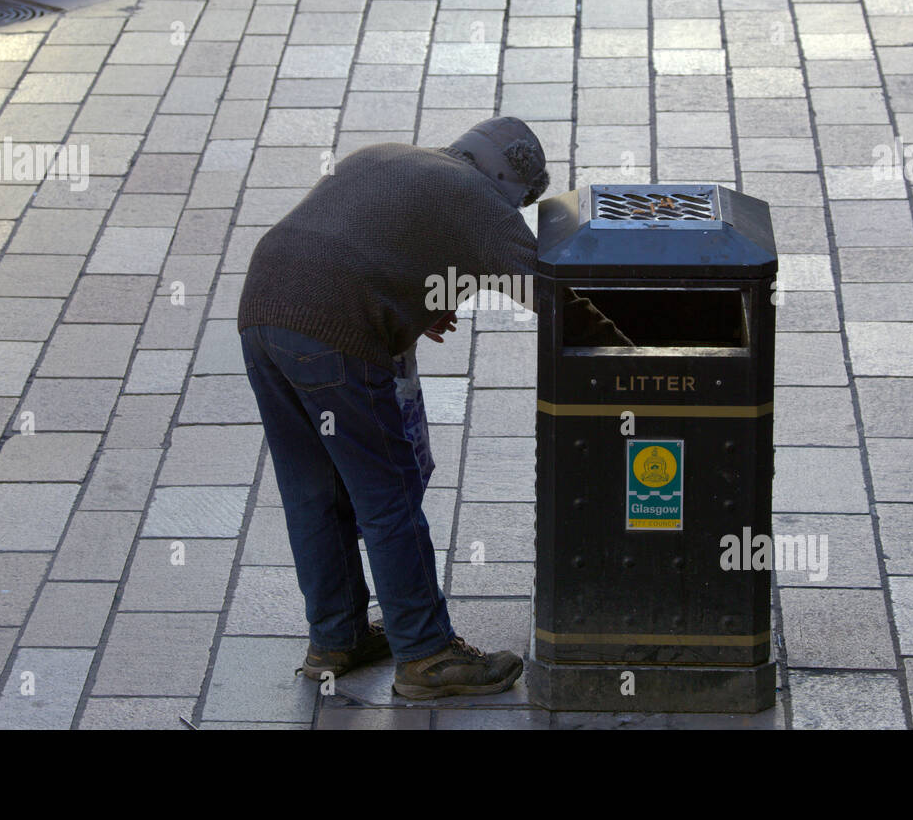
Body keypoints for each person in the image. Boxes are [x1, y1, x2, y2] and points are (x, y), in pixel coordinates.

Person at [236, 116, 628, 699]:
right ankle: (426, 654)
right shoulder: (478, 200)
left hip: (263, 309)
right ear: (508, 181)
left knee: (311, 489)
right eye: (518, 201)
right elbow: (551, 293)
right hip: (335, 332)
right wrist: (635, 351)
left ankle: (336, 637)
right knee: (386, 494)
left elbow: (371, 244)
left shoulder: (387, 151)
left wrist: (420, 296)